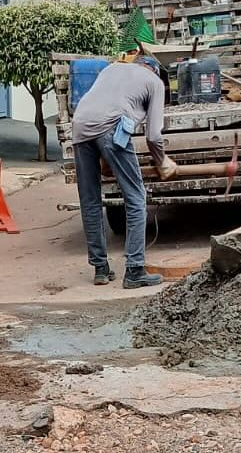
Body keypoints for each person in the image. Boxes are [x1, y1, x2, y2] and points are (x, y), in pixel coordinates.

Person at [70, 55, 176, 289]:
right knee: (136, 199)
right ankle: (135, 270)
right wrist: (162, 161)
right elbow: (154, 136)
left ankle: (100, 269)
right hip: (111, 127)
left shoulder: (111, 68)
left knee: (90, 201)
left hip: (78, 127)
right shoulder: (154, 82)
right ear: (155, 70)